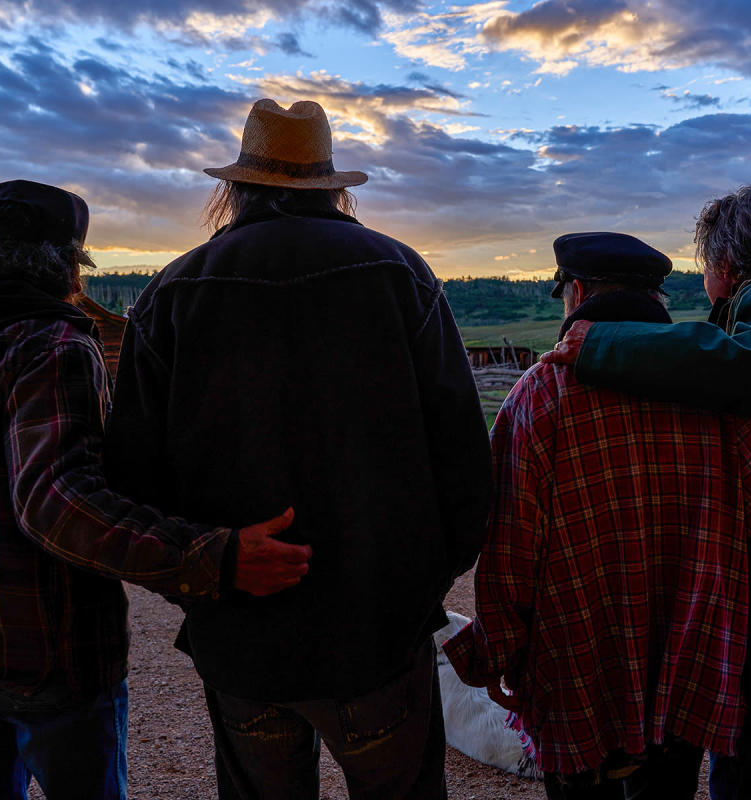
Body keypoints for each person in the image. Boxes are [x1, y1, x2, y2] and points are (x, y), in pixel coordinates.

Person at [0, 179, 311, 800]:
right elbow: (56, 503)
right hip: (53, 662)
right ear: (70, 265)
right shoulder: (52, 345)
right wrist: (209, 556)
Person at [103, 99, 491, 800]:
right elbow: (467, 465)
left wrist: (206, 585)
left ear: (235, 188)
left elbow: (131, 484)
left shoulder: (171, 292)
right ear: (332, 185)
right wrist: (413, 593)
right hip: (376, 637)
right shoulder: (400, 274)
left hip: (244, 646)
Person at [444, 232, 751, 800]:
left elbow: (510, 553)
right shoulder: (712, 392)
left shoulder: (538, 396)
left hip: (576, 676)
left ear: (577, 292)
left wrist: (497, 656)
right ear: (658, 299)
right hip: (686, 671)